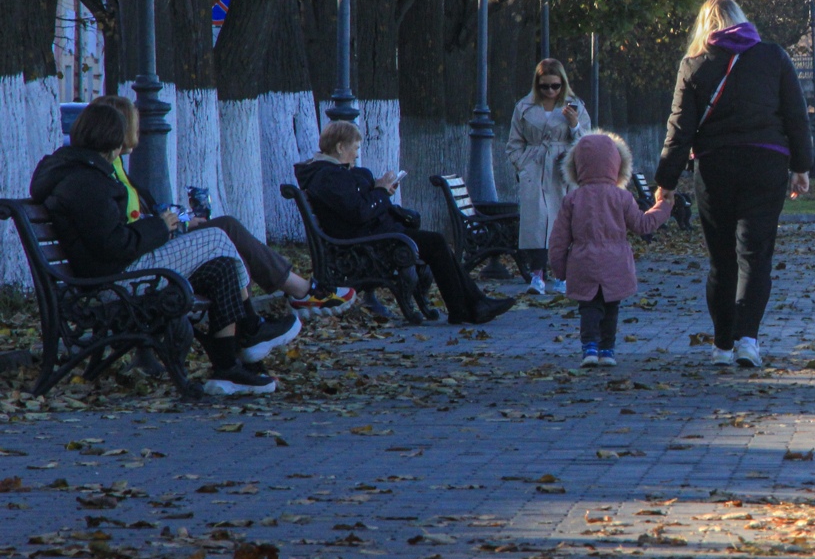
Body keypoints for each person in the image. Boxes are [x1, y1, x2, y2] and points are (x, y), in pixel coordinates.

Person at [30, 102, 298, 396]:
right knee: (218, 237)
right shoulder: (86, 182)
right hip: (112, 283)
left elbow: (111, 238)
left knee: (220, 268)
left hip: (115, 273)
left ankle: (227, 368)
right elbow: (114, 245)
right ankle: (249, 328)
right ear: (112, 139)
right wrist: (159, 226)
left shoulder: (80, 171)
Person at [656, 0, 813, 369]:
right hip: (766, 164)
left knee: (721, 261)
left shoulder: (694, 66)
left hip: (715, 168)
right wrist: (801, 167)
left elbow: (679, 131)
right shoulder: (773, 57)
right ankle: (748, 342)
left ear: (705, 27)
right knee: (755, 255)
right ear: (741, 20)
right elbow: (796, 115)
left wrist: (667, 181)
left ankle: (722, 346)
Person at [92, 95, 353, 314]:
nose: (138, 131)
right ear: (119, 128)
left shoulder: (114, 168)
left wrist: (182, 221)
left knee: (227, 233)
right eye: (135, 125)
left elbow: (141, 215)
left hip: (150, 245)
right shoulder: (104, 174)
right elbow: (127, 227)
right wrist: (167, 225)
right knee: (224, 235)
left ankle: (261, 315)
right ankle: (278, 304)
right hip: (139, 261)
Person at [295, 121, 514, 325]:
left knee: (434, 242)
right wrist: (381, 191)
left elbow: (357, 206)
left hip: (372, 236)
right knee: (436, 242)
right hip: (364, 243)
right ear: (341, 147)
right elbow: (359, 212)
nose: (357, 154)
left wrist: (382, 188)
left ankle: (471, 305)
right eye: (355, 147)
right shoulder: (328, 176)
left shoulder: (332, 173)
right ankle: (466, 307)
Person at [548, 133, 674, 368]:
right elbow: (642, 225)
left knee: (588, 308)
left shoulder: (573, 199)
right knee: (611, 308)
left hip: (582, 262)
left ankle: (589, 348)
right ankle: (607, 350)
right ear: (616, 165)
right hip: (615, 263)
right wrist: (663, 207)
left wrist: (560, 269)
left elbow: (558, 238)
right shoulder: (622, 197)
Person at [507, 59, 590, 295]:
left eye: (555, 86)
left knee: (561, 222)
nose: (551, 91)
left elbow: (587, 141)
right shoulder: (524, 107)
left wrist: (574, 125)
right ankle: (537, 275)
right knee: (537, 221)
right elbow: (513, 143)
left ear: (563, 84)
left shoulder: (575, 106)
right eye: (545, 86)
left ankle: (562, 276)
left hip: (562, 170)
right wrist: (523, 165)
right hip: (534, 167)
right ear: (537, 85)